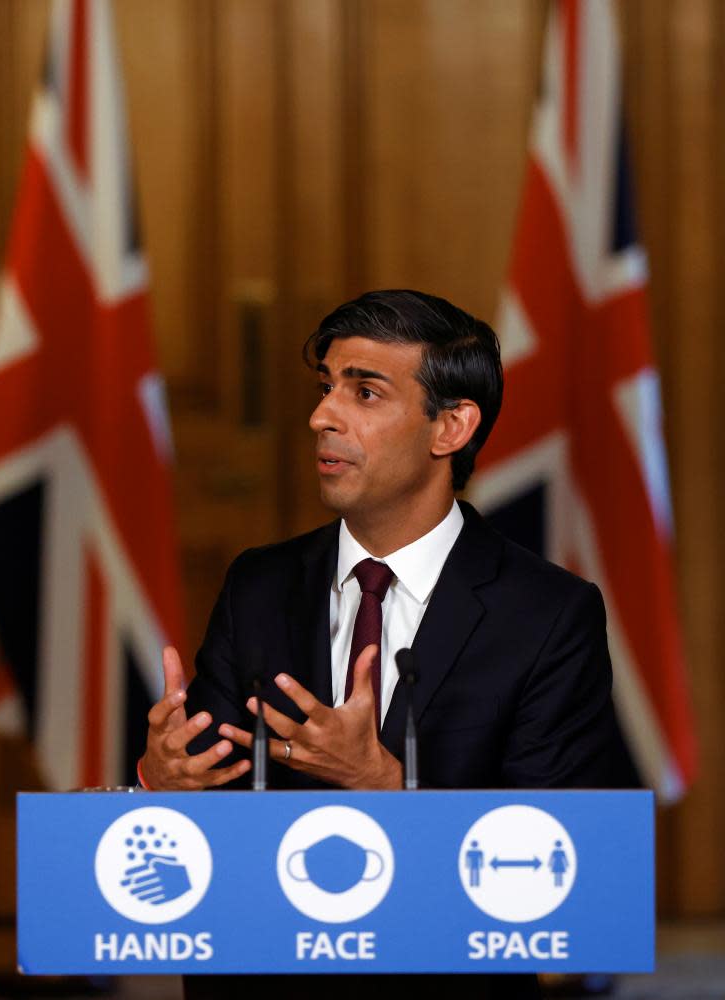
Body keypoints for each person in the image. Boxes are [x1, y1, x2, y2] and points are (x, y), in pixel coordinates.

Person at [139, 289, 626, 998]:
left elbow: (561, 873)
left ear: (451, 428)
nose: (321, 417)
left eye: (364, 392)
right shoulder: (259, 584)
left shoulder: (549, 615)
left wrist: (385, 787)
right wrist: (164, 777)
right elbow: (210, 814)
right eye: (325, 388)